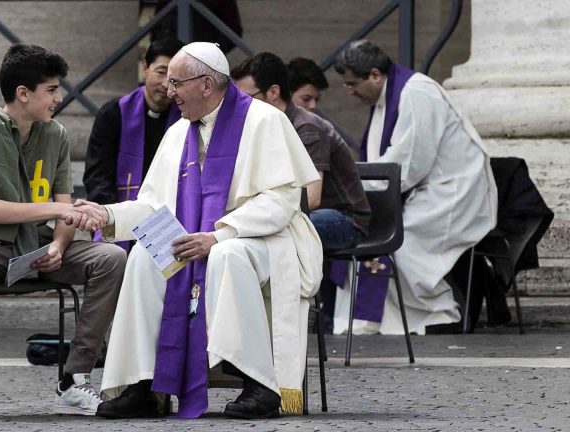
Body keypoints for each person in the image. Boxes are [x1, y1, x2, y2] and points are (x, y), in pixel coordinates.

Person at [75, 42, 323, 419]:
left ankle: (259, 385)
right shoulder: (178, 132)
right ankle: (144, 386)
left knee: (227, 255)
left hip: (261, 240)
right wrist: (106, 215)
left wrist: (219, 235)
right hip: (193, 238)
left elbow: (281, 202)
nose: (168, 91)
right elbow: (154, 208)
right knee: (145, 254)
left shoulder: (265, 121)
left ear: (206, 84)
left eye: (177, 82)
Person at [0, 44, 125, 420]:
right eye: (51, 90)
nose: (59, 97)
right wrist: (55, 210)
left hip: (40, 247)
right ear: (24, 93)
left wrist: (58, 242)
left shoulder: (56, 135)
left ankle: (74, 379)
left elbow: (67, 209)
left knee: (112, 257)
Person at [331, 39, 497, 335]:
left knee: (399, 243)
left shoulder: (418, 92)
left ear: (374, 75)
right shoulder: (385, 97)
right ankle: (378, 318)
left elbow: (412, 160)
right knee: (375, 235)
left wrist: (366, 192)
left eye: (352, 84)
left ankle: (440, 313)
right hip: (423, 189)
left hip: (452, 192)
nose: (351, 92)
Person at [232, 52, 370, 251]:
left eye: (245, 98)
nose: (239, 106)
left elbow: (311, 198)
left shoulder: (308, 127)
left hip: (344, 219)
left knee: (269, 234)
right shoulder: (260, 127)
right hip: (298, 215)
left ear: (273, 93)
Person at [83, 38, 184, 252]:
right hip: (119, 218)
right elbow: (98, 176)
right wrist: (116, 217)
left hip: (171, 219)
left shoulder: (187, 118)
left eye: (174, 78)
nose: (167, 85)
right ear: (145, 67)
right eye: (160, 72)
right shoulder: (113, 114)